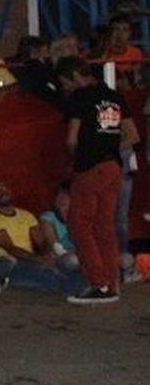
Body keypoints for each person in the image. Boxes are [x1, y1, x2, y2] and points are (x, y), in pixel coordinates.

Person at [58, 55, 136, 303]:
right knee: (105, 226)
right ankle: (111, 282)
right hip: (113, 166)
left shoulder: (80, 98)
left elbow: (72, 139)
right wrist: (108, 145)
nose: (66, 88)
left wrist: (83, 155)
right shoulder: (114, 96)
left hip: (91, 167)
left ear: (74, 76)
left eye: (66, 82)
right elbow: (132, 135)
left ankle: (99, 284)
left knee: (80, 225)